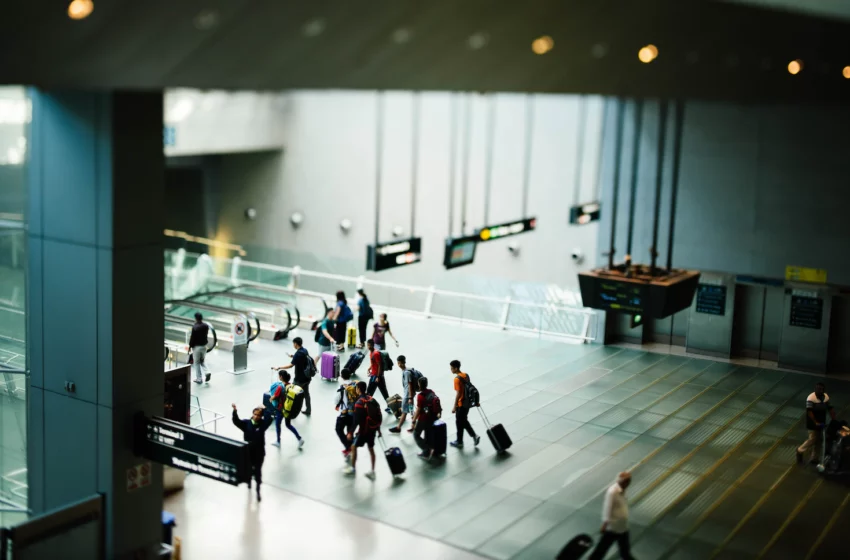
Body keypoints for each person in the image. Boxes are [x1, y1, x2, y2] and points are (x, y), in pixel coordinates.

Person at [231, 403, 274, 502]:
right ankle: (249, 481)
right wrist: (234, 411)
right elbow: (236, 421)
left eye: (259, 415)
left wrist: (265, 409)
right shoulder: (247, 424)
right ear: (252, 414)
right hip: (249, 453)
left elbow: (270, 419)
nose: (256, 416)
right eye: (255, 414)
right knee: (249, 469)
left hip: (259, 453)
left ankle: (258, 490)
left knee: (258, 472)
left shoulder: (263, 425)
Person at [589, 472, 634, 560]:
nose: (629, 483)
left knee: (625, 553)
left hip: (622, 527)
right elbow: (607, 508)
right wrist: (605, 524)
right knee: (600, 552)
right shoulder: (612, 492)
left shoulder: (623, 490)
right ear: (622, 481)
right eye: (627, 481)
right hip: (613, 527)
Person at [342, 381, 378, 479]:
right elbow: (376, 414)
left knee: (353, 446)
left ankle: (353, 468)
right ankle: (372, 471)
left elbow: (356, 420)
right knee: (371, 449)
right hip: (372, 429)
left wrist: (350, 432)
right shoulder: (371, 399)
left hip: (363, 431)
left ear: (358, 389)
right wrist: (378, 429)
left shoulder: (359, 403)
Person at [797, 382, 836, 465]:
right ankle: (800, 450)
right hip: (813, 423)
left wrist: (833, 419)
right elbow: (809, 412)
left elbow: (830, 408)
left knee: (818, 440)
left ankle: (814, 458)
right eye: (818, 389)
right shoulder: (811, 398)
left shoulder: (825, 397)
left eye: (821, 389)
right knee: (813, 439)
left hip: (821, 421)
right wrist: (816, 422)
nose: (819, 391)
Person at [275, 337, 312, 416]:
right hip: (307, 378)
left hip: (299, 379)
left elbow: (290, 366)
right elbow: (301, 358)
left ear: (295, 343)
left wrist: (279, 367)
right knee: (306, 394)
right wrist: (292, 356)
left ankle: (290, 410)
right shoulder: (304, 350)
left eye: (293, 343)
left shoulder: (298, 353)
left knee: (291, 393)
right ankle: (308, 409)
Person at [268, 370, 304, 449]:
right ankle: (299, 438)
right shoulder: (290, 385)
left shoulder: (280, 387)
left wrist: (270, 399)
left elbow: (274, 397)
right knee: (288, 425)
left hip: (280, 409)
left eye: (279, 375)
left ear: (281, 377)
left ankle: (278, 441)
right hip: (288, 409)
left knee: (277, 425)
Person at [449, 360, 480, 448]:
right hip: (467, 403)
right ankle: (467, 438)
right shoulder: (466, 375)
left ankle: (461, 441)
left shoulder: (456, 379)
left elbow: (458, 393)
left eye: (452, 368)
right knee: (463, 421)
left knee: (460, 422)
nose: (451, 370)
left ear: (456, 368)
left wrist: (454, 406)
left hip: (461, 404)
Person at [411, 376, 439, 461]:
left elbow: (419, 409)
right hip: (432, 417)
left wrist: (413, 420)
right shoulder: (431, 391)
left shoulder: (420, 396)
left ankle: (426, 450)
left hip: (423, 418)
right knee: (428, 434)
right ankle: (432, 449)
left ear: (419, 385)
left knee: (416, 434)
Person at [335, 368, 358, 461]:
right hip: (353, 412)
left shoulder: (342, 387)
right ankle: (352, 448)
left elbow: (336, 400)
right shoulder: (355, 385)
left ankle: (348, 447)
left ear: (341, 376)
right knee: (350, 431)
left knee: (338, 429)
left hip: (344, 412)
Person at [389, 355, 416, 433]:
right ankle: (413, 427)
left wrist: (410, 398)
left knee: (404, 411)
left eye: (401, 363)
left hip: (408, 397)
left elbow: (410, 384)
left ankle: (398, 427)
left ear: (404, 362)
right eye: (398, 363)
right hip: (409, 395)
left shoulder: (407, 372)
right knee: (411, 411)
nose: (400, 365)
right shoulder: (405, 371)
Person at [365, 339, 393, 414]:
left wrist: (378, 376)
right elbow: (374, 363)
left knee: (369, 392)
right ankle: (390, 406)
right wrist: (370, 367)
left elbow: (380, 365)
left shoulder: (376, 353)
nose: (368, 347)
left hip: (376, 377)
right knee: (383, 392)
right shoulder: (371, 353)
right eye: (367, 345)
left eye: (369, 345)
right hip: (375, 375)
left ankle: (366, 407)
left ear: (373, 345)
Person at [189, 312, 211, 384]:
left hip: (197, 347)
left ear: (196, 318)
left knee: (197, 362)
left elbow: (192, 338)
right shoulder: (206, 326)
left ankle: (199, 378)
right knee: (202, 360)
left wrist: (190, 346)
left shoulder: (195, 327)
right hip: (204, 347)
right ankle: (207, 372)